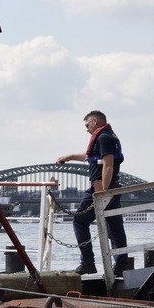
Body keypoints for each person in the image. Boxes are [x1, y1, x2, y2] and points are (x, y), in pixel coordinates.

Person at [56, 110, 128, 276]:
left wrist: (101, 191)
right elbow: (88, 156)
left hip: (100, 188)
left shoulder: (103, 137)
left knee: (79, 221)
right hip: (112, 187)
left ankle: (88, 262)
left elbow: (108, 165)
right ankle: (121, 267)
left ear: (95, 121)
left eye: (87, 124)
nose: (86, 128)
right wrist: (67, 157)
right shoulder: (108, 136)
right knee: (114, 228)